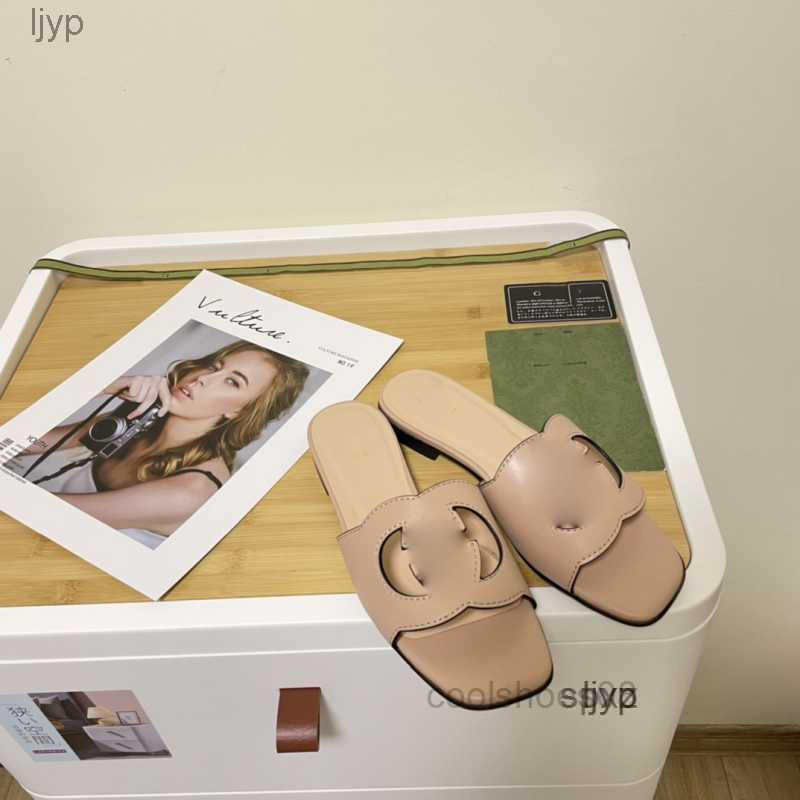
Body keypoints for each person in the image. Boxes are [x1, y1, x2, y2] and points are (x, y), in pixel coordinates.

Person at [13, 341, 309, 547]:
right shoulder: (141, 420)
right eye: (213, 367)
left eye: (233, 382)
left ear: (240, 411)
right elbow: (23, 445)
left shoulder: (190, 491)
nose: (203, 379)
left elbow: (42, 513)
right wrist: (103, 386)